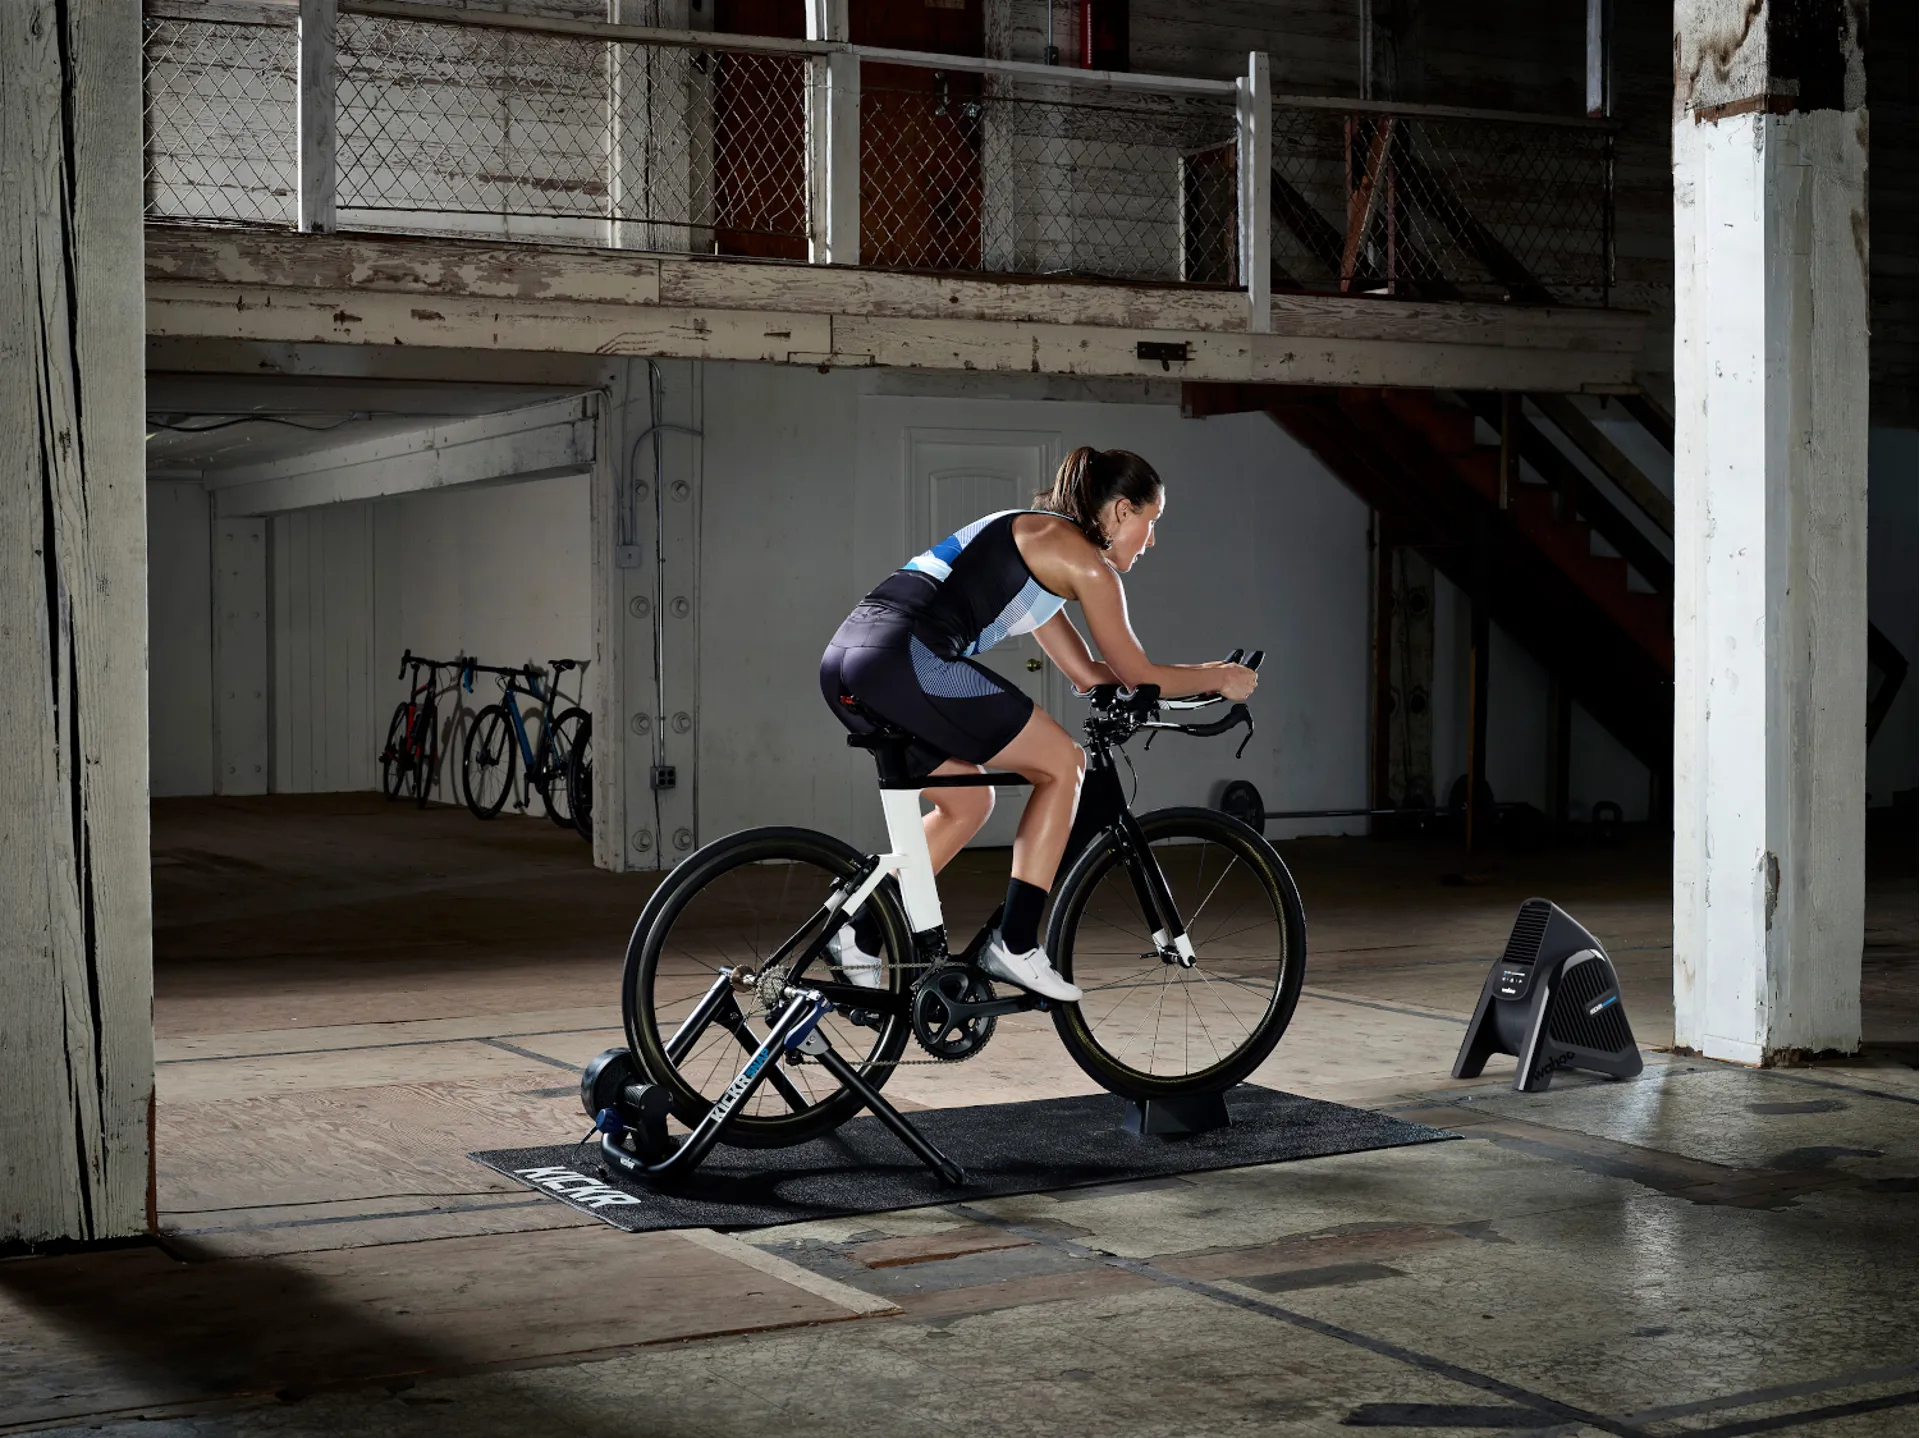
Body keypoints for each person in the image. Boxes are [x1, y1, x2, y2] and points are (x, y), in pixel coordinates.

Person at [818, 446, 1259, 1000]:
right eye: (1152, 522)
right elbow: (1138, 672)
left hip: (850, 660)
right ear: (1122, 510)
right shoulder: (1085, 563)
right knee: (1063, 762)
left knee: (968, 803)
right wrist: (1219, 677)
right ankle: (1016, 942)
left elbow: (1088, 674)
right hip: (906, 659)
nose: (1151, 541)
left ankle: (856, 928)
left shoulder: (1036, 539)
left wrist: (1197, 678)